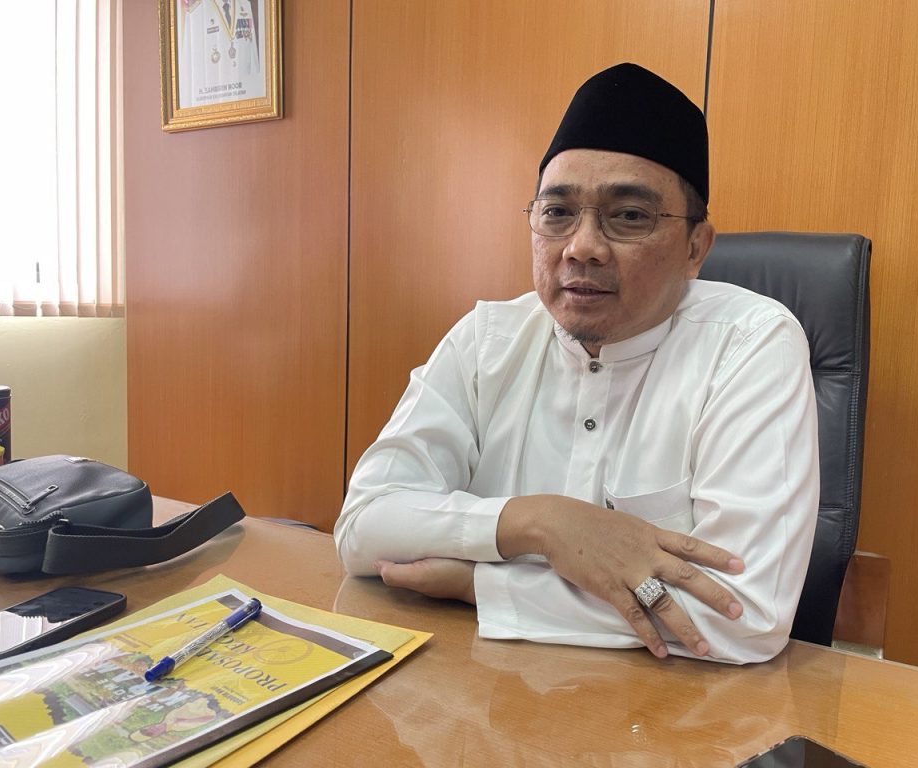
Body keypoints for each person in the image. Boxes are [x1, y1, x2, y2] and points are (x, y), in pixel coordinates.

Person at [335, 63, 819, 664]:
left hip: (669, 708)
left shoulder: (751, 344)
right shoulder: (487, 339)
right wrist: (542, 523)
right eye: (557, 213)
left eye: (630, 216)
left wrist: (478, 582)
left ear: (695, 247)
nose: (582, 247)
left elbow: (743, 613)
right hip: (485, 690)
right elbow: (364, 525)